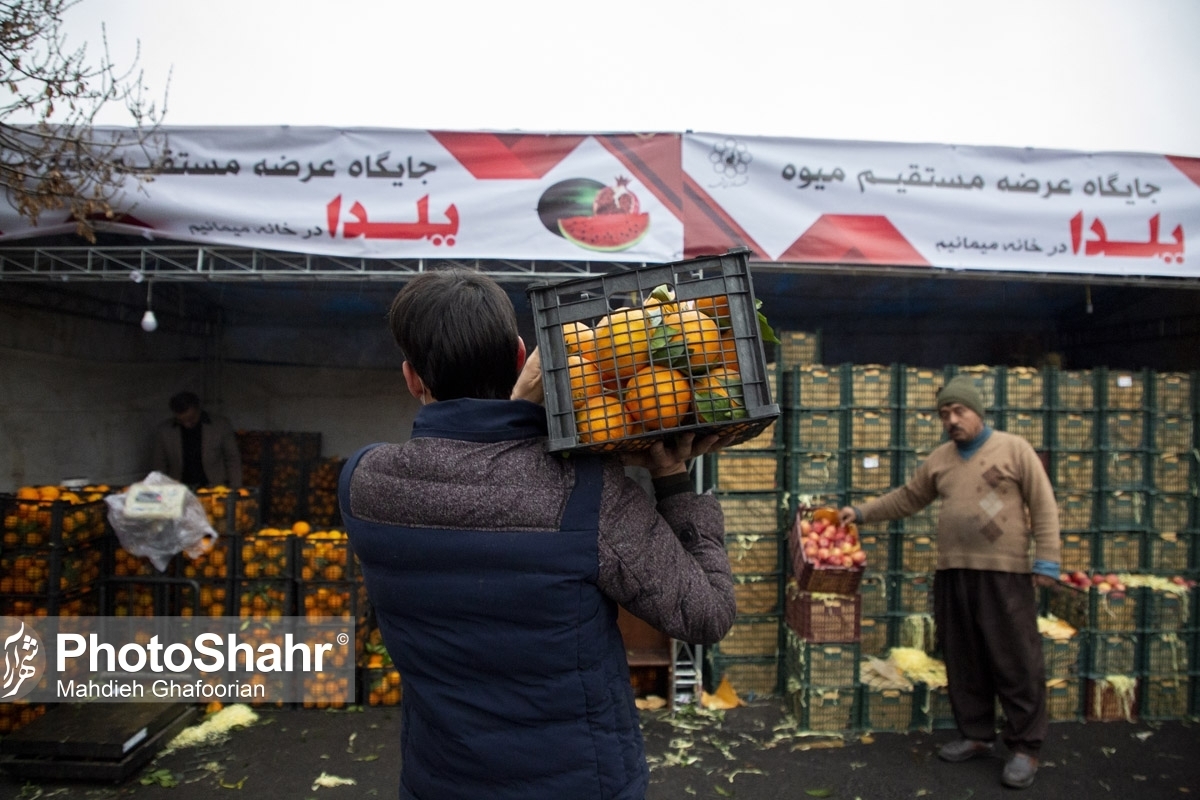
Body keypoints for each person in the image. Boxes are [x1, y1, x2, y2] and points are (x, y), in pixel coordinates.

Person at [338, 269, 737, 800]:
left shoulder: (365, 482)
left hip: (440, 783)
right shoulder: (587, 490)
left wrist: (514, 416)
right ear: (520, 353)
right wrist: (672, 482)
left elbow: (482, 473)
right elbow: (706, 612)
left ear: (412, 378)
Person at [838, 374, 1060, 790]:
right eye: (944, 414)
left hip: (1004, 574)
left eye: (959, 411)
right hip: (953, 572)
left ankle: (1025, 746)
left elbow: (1043, 504)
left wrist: (1047, 560)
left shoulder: (1014, 449)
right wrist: (862, 512)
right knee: (963, 656)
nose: (952, 420)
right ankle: (976, 734)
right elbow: (907, 498)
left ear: (977, 412)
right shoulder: (941, 459)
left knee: (1014, 659)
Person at [151, 391, 243, 488]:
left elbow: (232, 458)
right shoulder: (164, 431)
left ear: (198, 409)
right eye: (181, 421)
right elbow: (159, 463)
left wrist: (235, 487)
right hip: (179, 488)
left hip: (214, 487)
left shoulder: (220, 425)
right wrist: (160, 488)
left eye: (191, 418)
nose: (187, 424)